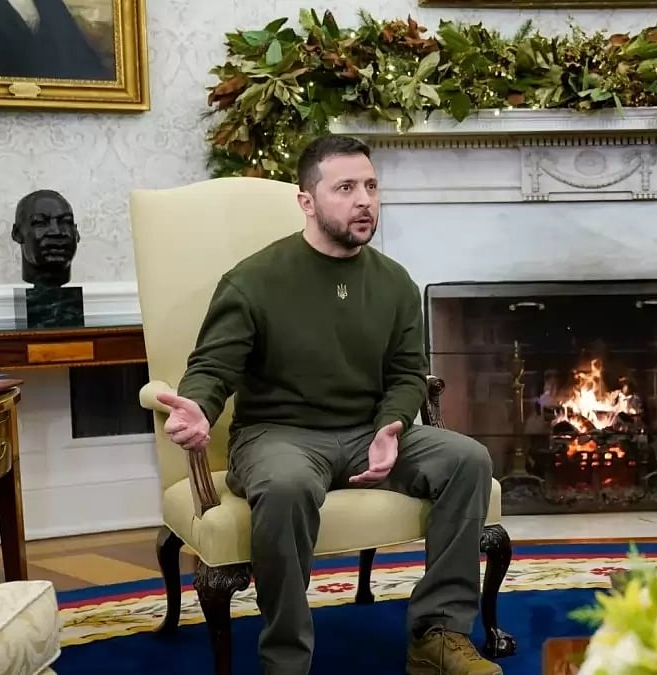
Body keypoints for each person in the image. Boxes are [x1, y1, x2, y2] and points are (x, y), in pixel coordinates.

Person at [155, 134, 502, 675]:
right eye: (345, 188)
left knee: (467, 459)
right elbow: (211, 368)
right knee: (288, 485)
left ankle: (438, 635)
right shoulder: (253, 281)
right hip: (278, 436)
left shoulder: (394, 283)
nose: (364, 200)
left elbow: (407, 374)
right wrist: (196, 405)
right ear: (307, 201)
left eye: (370, 186)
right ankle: (286, 659)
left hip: (369, 433)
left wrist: (391, 424)